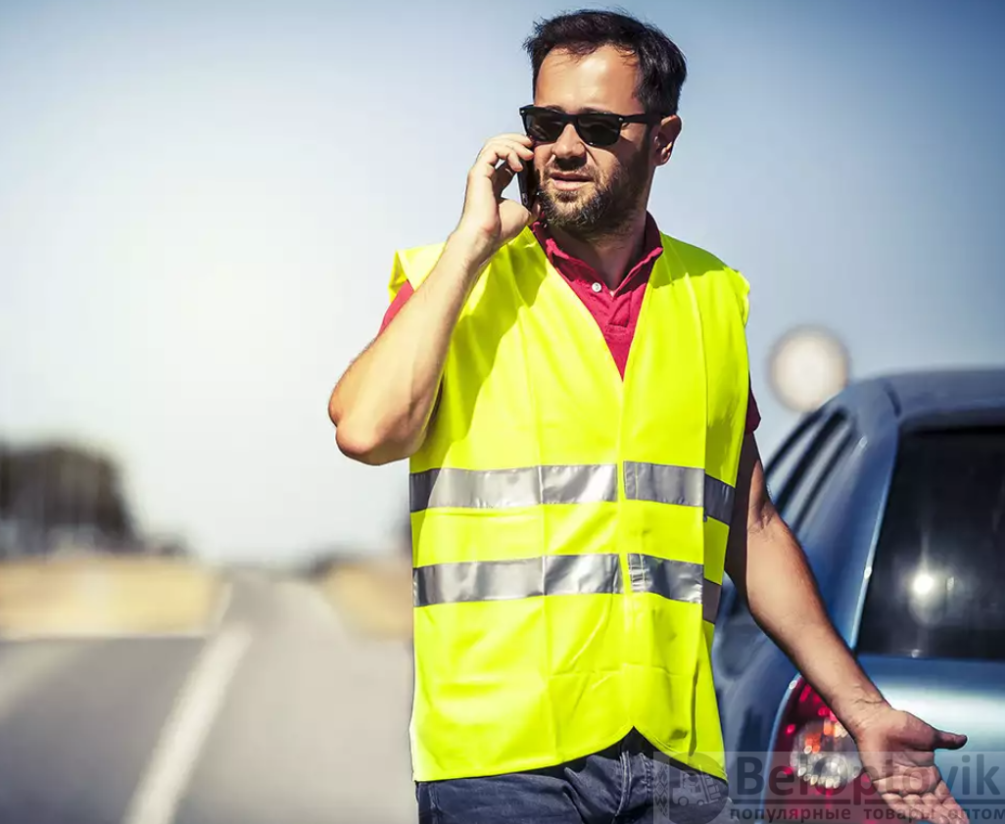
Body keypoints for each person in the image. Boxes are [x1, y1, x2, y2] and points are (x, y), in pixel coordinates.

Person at [328, 10, 969, 824]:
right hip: (501, 763)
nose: (563, 145)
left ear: (662, 139)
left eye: (595, 126)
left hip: (671, 764)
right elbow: (366, 430)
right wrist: (470, 242)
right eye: (543, 121)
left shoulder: (709, 297)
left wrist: (862, 709)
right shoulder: (458, 276)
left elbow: (752, 523)